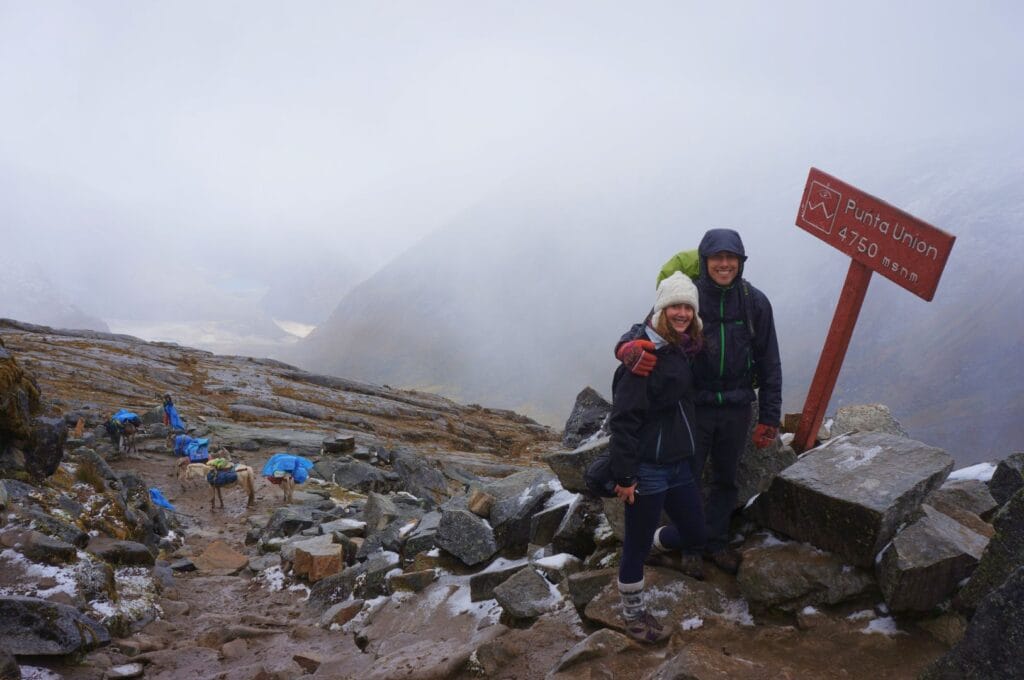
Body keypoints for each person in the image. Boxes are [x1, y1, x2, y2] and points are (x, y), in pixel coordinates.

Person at [616, 228, 782, 574]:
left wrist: (769, 415)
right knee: (685, 478)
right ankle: (690, 546)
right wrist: (625, 348)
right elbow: (647, 327)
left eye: (731, 258)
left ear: (741, 262)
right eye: (717, 258)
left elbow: (770, 361)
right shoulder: (688, 296)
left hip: (737, 407)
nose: (724, 264)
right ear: (705, 262)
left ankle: (717, 543)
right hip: (694, 406)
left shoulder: (755, 302)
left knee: (726, 478)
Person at [610, 272, 707, 644]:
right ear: (661, 309)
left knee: (696, 532)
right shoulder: (643, 355)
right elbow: (623, 420)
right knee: (633, 545)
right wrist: (625, 475)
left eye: (688, 307)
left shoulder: (682, 347)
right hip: (647, 468)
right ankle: (633, 615)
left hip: (679, 463)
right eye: (674, 306)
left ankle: (656, 540)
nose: (682, 313)